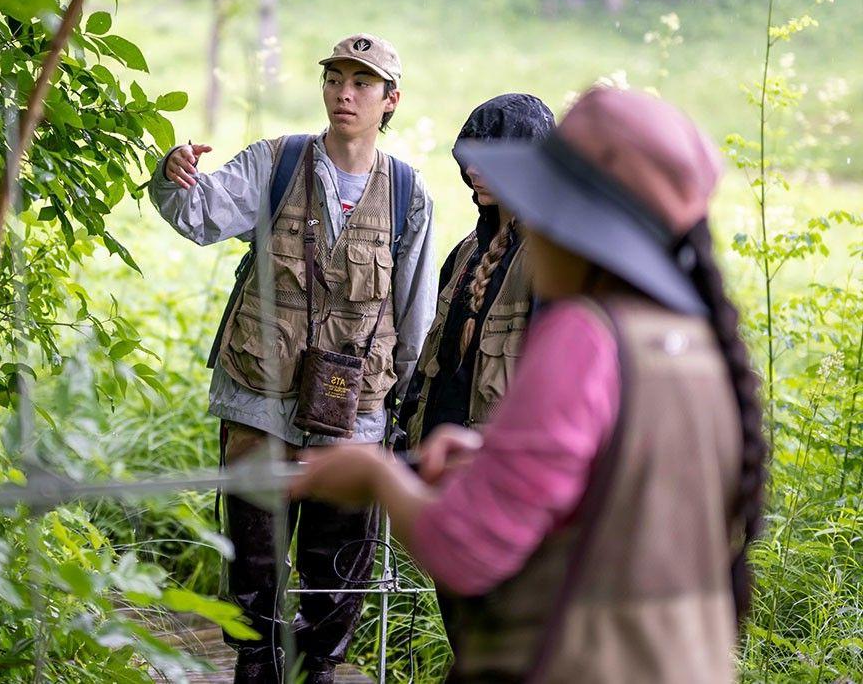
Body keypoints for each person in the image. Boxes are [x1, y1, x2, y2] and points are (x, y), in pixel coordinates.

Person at [293, 87, 766, 682]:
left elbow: (467, 549)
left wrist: (375, 476)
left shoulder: (585, 338)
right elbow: (623, 495)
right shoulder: (698, 342)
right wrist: (495, 456)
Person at [148, 34, 435, 683]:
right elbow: (194, 215)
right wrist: (173, 174)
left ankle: (320, 667)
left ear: (390, 100)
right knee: (253, 556)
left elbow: (414, 316)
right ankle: (256, 662)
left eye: (362, 83)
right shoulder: (275, 164)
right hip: (260, 400)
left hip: (354, 416)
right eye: (335, 78)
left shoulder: (409, 195)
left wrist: (404, 414)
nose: (344, 92)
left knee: (339, 561)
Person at [396, 94, 555, 454]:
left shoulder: (549, 264)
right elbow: (428, 370)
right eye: (469, 158)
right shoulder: (466, 253)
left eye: (488, 159)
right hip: (430, 465)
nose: (473, 171)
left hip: (493, 474)